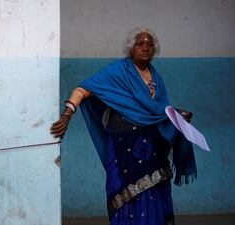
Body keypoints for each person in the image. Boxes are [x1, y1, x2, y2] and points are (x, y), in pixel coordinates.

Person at [50, 27, 197, 225]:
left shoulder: (156, 78)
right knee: (125, 196)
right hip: (124, 148)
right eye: (140, 43)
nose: (145, 47)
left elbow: (157, 112)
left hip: (153, 150)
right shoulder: (118, 71)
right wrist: (67, 115)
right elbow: (83, 89)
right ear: (130, 48)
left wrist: (178, 115)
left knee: (155, 193)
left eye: (149, 44)